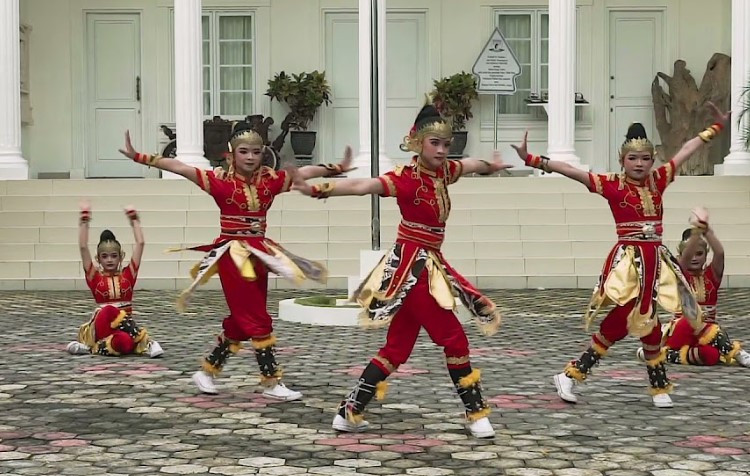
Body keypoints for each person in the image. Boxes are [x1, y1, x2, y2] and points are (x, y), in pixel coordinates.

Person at [293, 104, 507, 438]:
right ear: (418, 143)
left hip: (429, 262)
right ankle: (476, 413)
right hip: (413, 268)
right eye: (434, 143)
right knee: (454, 339)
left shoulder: (444, 172)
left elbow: (468, 165)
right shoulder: (405, 180)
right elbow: (364, 187)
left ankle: (349, 411)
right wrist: (320, 189)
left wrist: (489, 166)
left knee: (397, 349)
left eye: (445, 144)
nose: (441, 150)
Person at [510, 103, 729, 408]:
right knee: (629, 317)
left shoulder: (658, 180)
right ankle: (583, 375)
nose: (639, 164)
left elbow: (685, 151)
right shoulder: (612, 184)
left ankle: (650, 383)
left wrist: (714, 130)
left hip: (656, 259)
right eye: (633, 158)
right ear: (622, 160)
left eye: (645, 158)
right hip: (631, 261)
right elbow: (573, 171)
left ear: (652, 160)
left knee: (647, 319)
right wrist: (532, 159)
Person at [119, 124, 352, 400]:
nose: (251, 157)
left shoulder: (269, 181)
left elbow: (303, 173)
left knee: (241, 324)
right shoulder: (220, 182)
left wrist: (335, 168)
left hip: (260, 254)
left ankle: (207, 371)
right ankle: (271, 381)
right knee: (257, 319)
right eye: (244, 152)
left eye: (256, 152)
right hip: (232, 254)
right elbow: (181, 167)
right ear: (231, 155)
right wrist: (139, 157)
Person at [637, 207, 750, 367]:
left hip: (706, 335)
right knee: (692, 319)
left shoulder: (712, 276)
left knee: (710, 356)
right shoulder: (680, 275)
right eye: (692, 254)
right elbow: (686, 258)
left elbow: (720, 253)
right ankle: (737, 352)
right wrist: (696, 233)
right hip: (681, 331)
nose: (695, 258)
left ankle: (662, 355)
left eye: (700, 254)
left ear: (705, 256)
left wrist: (706, 229)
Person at [68, 202, 163, 358]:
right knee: (110, 310)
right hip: (102, 325)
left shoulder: (128, 276)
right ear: (98, 259)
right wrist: (84, 221)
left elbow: (141, 243)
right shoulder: (95, 277)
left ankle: (91, 348)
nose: (110, 260)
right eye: (105, 256)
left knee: (123, 343)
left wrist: (134, 220)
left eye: (114, 256)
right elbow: (83, 247)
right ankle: (147, 342)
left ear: (121, 257)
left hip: (121, 330)